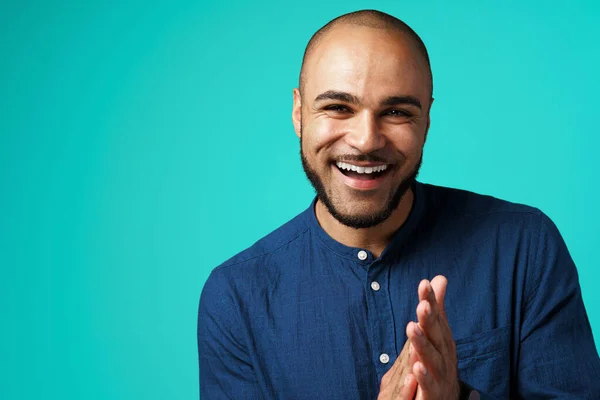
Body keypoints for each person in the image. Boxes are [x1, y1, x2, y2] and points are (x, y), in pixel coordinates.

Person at [197, 9, 600, 399]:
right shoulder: (235, 298)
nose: (366, 140)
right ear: (299, 112)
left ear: (426, 120)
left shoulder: (524, 247)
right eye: (338, 107)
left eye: (395, 112)